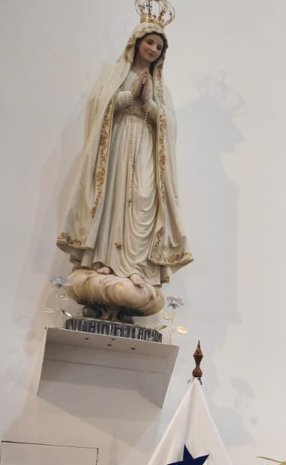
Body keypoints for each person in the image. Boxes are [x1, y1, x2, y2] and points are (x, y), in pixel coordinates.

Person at [57, 11, 192, 321]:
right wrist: (126, 98)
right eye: (150, 43)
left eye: (159, 47)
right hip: (116, 147)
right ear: (137, 42)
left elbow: (168, 124)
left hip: (144, 147)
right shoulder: (117, 75)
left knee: (142, 202)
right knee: (112, 202)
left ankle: (135, 268)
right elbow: (98, 106)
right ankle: (103, 260)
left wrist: (150, 106)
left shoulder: (162, 90)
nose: (154, 50)